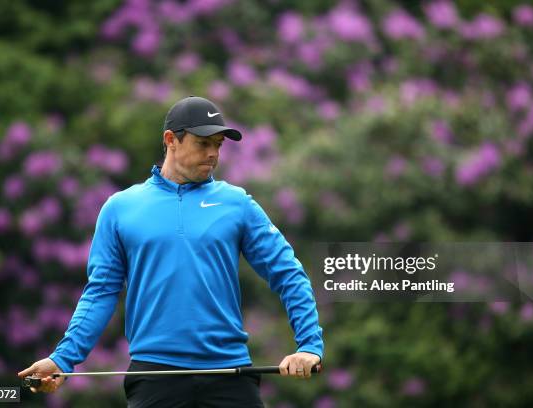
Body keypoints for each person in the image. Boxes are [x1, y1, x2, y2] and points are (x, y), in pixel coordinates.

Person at [18, 96, 324, 407]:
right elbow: (101, 292)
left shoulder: (238, 204)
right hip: (154, 378)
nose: (213, 153)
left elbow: (288, 273)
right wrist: (63, 359)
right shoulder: (120, 208)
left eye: (218, 144)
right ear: (170, 140)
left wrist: (310, 345)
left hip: (230, 375)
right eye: (203, 143)